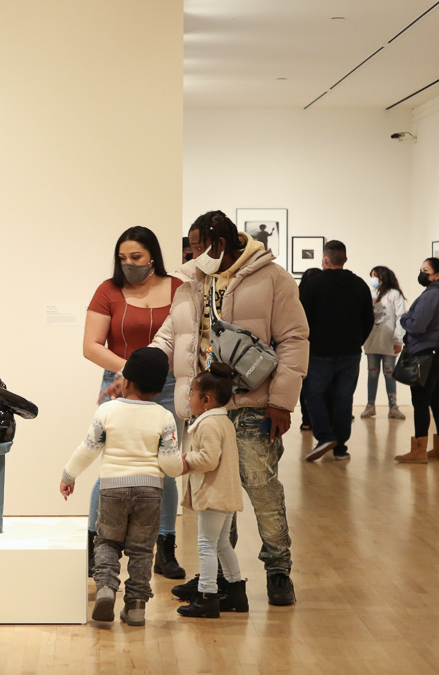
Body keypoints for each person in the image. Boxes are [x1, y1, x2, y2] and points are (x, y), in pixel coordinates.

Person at [104, 211, 308, 606]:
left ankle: (278, 570)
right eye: (192, 247)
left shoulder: (273, 278)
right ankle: (217, 580)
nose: (193, 253)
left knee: (262, 491)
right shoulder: (191, 283)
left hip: (254, 404)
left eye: (199, 246)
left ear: (220, 243)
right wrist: (131, 372)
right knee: (212, 496)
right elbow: (169, 336)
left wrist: (282, 403)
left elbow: (295, 340)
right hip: (205, 408)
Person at [83, 226, 185, 579]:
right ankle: (96, 546)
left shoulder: (178, 288)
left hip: (170, 385)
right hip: (119, 383)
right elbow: (91, 345)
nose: (128, 264)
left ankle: (166, 546)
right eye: (122, 258)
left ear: (152, 256)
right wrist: (132, 372)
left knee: (165, 467)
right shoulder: (107, 290)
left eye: (136, 258)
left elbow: (189, 338)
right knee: (111, 464)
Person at [60, 347, 185, 626]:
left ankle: (105, 587)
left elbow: (88, 449)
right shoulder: (164, 417)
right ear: (158, 389)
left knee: (107, 541)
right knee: (142, 549)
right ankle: (136, 606)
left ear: (125, 381)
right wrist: (184, 463)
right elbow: (170, 465)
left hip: (113, 488)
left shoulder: (107, 411)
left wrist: (68, 475)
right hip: (150, 492)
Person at [176, 362, 247, 619]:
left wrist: (184, 460)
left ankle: (207, 596)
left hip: (214, 494)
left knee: (206, 544)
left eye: (192, 394)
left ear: (206, 399)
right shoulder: (222, 420)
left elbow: (208, 459)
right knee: (221, 544)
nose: (190, 398)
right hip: (227, 493)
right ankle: (237, 592)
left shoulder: (207, 424)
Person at [300, 240, 374, 462]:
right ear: (345, 259)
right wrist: (356, 341)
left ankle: (325, 437)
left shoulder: (312, 285)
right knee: (344, 398)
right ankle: (341, 447)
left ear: (325, 259)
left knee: (313, 395)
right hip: (350, 353)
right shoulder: (360, 285)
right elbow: (368, 320)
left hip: (319, 352)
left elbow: (301, 318)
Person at [394, 258, 439, 463]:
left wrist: (404, 318)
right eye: (421, 269)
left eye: (425, 270)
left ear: (437, 275)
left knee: (420, 401)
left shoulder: (432, 295)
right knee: (437, 400)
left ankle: (419, 450)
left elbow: (417, 326)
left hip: (429, 354)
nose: (421, 273)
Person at [360, 266, 407, 420]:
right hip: (371, 342)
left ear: (382, 276)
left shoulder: (394, 294)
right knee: (372, 374)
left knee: (390, 374)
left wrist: (398, 339)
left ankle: (393, 407)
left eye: (374, 276)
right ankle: (370, 405)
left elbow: (401, 317)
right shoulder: (368, 293)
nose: (372, 279)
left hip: (389, 342)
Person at [297, 268, 324, 431]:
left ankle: (306, 420)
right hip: (321, 349)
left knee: (306, 386)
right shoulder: (324, 299)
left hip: (303, 347)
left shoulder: (298, 299)